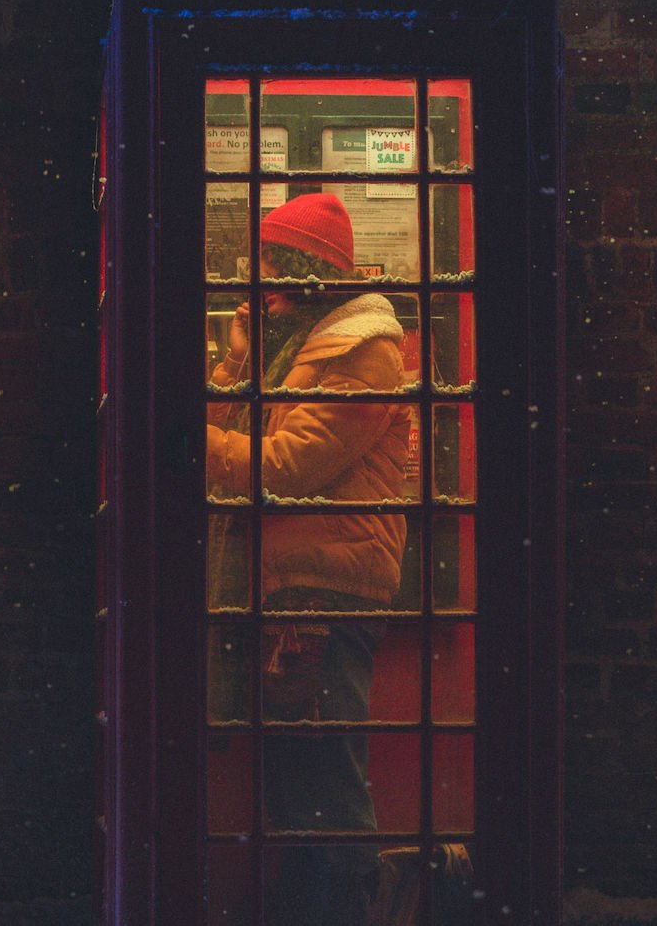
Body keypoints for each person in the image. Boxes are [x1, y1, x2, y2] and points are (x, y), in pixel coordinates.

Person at [205, 191, 413, 925]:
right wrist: (237, 359)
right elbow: (229, 420)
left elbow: (285, 464)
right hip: (288, 585)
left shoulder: (364, 349)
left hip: (327, 590)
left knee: (326, 779)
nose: (253, 281)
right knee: (295, 788)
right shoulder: (294, 342)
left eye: (265, 263)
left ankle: (354, 909)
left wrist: (182, 440)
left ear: (298, 270)